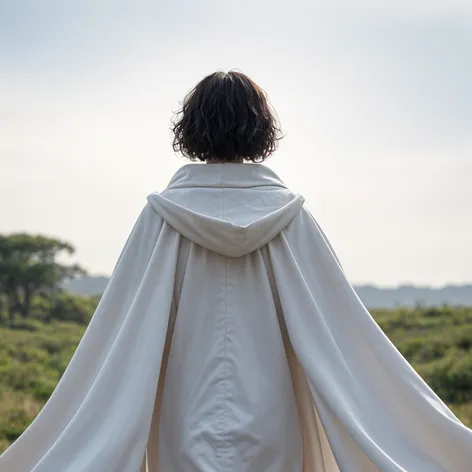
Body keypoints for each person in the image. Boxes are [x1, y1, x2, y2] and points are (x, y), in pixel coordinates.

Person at [1, 70, 472, 472]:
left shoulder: (162, 217)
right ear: (260, 129)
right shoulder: (292, 218)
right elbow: (344, 332)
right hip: (274, 413)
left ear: (191, 129)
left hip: (183, 413)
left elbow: (118, 337)